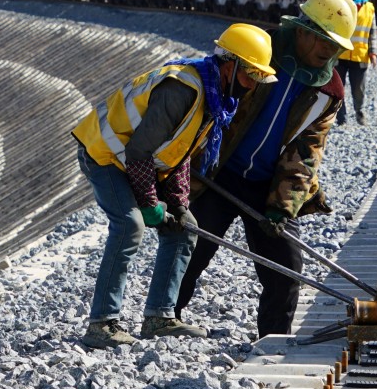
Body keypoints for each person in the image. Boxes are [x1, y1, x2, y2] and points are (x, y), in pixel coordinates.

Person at [74, 23, 277, 349]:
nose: (252, 84)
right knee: (130, 225)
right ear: (230, 64)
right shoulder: (182, 90)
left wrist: (179, 204)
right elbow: (140, 151)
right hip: (105, 153)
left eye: (257, 77)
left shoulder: (214, 96)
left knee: (186, 227)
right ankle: (101, 323)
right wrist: (150, 203)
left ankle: (159, 317)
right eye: (249, 75)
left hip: (132, 157)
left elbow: (178, 154)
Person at [175, 0, 356, 337]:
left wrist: (283, 207)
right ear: (304, 30)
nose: (329, 52)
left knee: (287, 269)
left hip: (268, 186)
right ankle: (164, 317)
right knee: (190, 249)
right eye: (324, 41)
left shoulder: (328, 91)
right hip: (219, 173)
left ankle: (274, 340)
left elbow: (307, 152)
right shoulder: (259, 52)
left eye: (336, 46)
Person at [334, 0, 377, 126]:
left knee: (359, 89)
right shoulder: (338, 6)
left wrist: (373, 53)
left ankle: (359, 113)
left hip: (360, 56)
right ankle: (341, 118)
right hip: (339, 55)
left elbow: (372, 33)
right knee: (339, 89)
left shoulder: (369, 8)